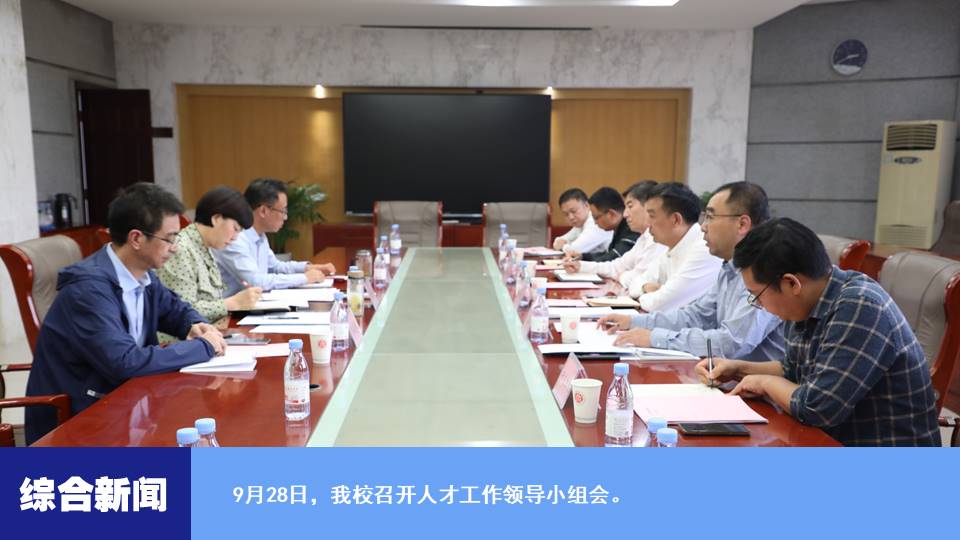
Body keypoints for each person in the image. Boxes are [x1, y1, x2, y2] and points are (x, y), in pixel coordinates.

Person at [696, 218, 940, 446]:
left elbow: (816, 408)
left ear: (791, 283)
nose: (758, 304)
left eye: (756, 295)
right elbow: (794, 369)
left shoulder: (860, 306)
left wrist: (763, 382)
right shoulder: (807, 301)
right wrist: (738, 368)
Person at [25, 183, 226, 444]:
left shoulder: (142, 276)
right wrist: (204, 347)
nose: (175, 247)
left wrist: (195, 323)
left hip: (128, 409)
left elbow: (175, 309)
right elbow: (124, 361)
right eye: (169, 238)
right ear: (136, 239)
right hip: (80, 425)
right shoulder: (88, 291)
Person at [599, 182, 783, 361]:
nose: (703, 226)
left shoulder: (764, 271)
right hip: (723, 373)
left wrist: (655, 338)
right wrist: (633, 321)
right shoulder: (729, 267)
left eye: (710, 217)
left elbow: (731, 343)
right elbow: (696, 316)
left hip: (747, 380)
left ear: (742, 224)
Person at [157, 186, 263, 333]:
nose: (235, 238)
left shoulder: (206, 247)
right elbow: (179, 312)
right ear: (216, 219)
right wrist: (233, 303)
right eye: (235, 228)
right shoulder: (181, 249)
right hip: (181, 342)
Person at [215, 178, 335, 295]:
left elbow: (275, 267)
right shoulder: (235, 238)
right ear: (263, 211)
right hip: (231, 307)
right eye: (283, 211)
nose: (285, 217)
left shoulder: (260, 236)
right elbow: (256, 282)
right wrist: (305, 278)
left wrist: (308, 268)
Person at [626, 182, 721, 310]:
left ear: (676, 219)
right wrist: (646, 287)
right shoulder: (672, 246)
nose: (647, 223)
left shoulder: (704, 249)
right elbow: (635, 283)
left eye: (652, 216)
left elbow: (661, 305)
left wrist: (645, 295)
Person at [562, 181, 665, 294]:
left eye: (630, 206)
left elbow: (641, 280)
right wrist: (580, 266)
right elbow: (616, 266)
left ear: (649, 207)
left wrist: (623, 276)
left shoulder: (658, 239)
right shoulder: (644, 237)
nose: (625, 214)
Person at [565, 187, 640, 263]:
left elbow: (613, 258)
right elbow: (609, 253)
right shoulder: (619, 227)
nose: (595, 222)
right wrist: (583, 256)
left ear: (612, 214)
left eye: (596, 218)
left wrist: (581, 264)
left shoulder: (632, 229)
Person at [552, 188, 613, 255]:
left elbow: (574, 250)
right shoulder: (580, 224)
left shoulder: (595, 222)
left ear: (587, 205)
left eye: (573, 211)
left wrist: (563, 246)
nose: (571, 217)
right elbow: (559, 241)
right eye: (566, 214)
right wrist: (563, 244)